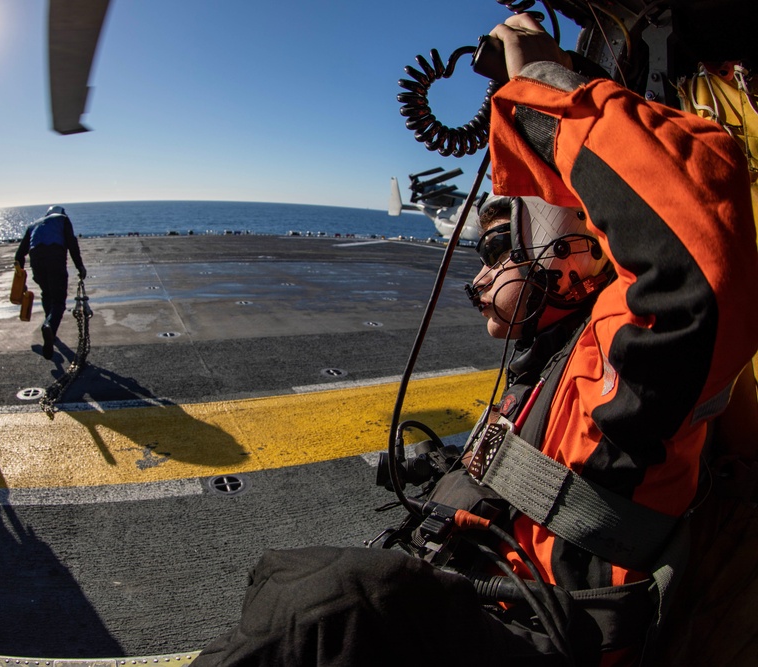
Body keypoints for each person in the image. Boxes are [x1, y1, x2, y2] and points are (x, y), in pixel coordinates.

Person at [193, 13, 758, 666]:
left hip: (544, 632)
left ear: (574, 252)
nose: (479, 277)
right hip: (486, 592)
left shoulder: (623, 359)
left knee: (328, 613)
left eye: (495, 247)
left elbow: (701, 250)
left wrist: (547, 83)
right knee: (284, 575)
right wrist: (452, 470)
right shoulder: (551, 366)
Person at [14, 205, 87, 359]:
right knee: (59, 301)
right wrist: (79, 266)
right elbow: (71, 244)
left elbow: (19, 255)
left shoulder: (33, 225)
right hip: (55, 258)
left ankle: (50, 331)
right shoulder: (62, 220)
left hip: (37, 261)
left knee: (47, 294)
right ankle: (49, 327)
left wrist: (20, 278)